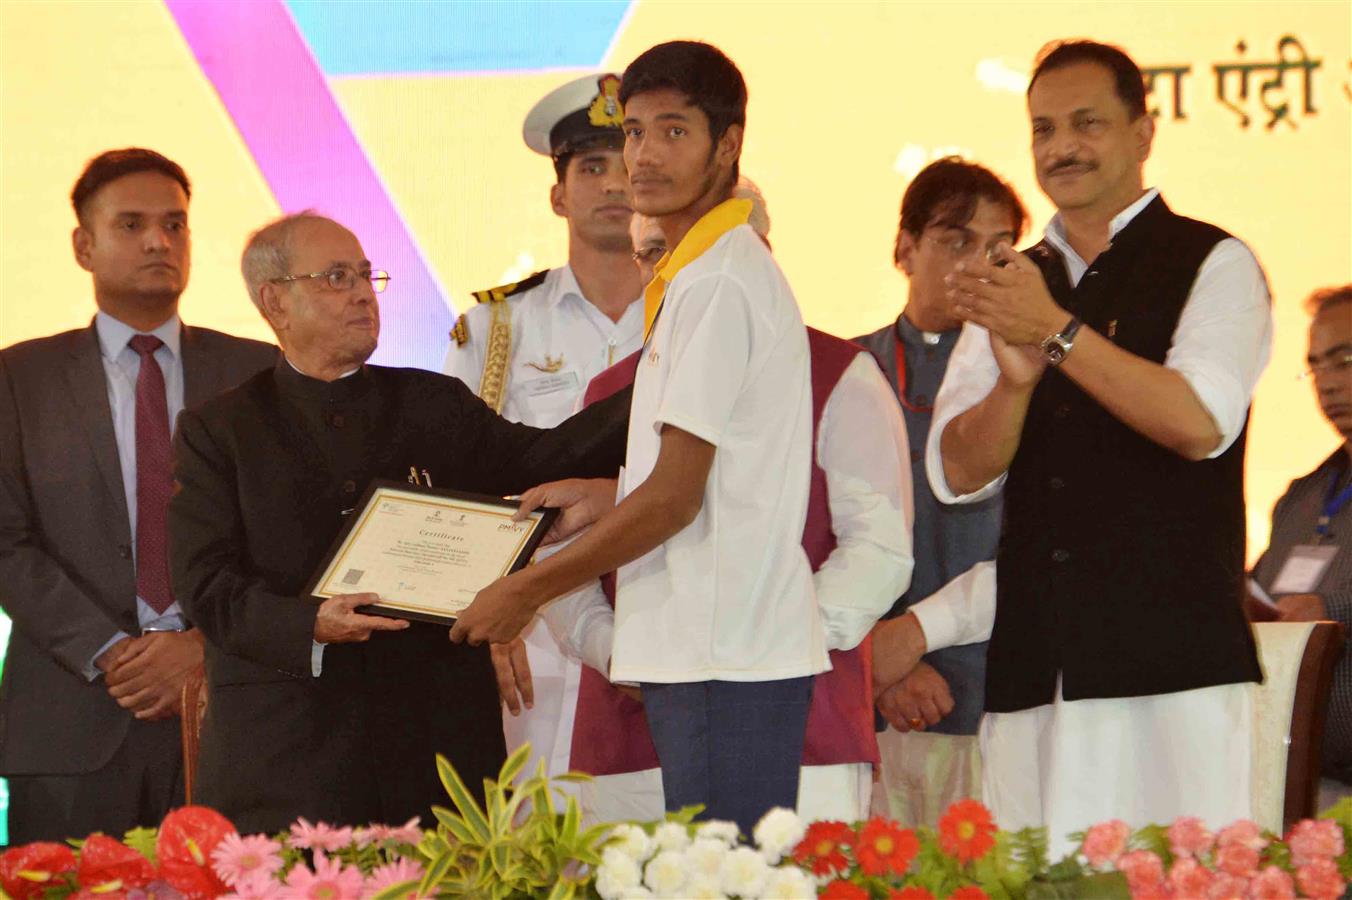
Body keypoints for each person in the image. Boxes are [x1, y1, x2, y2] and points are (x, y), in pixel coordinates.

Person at [889, 39, 1271, 852]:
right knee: (1039, 874)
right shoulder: (1009, 277)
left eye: (1087, 123)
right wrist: (1017, 383)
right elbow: (955, 472)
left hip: (1174, 669)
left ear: (1143, 132)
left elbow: (1200, 422)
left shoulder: (1214, 260)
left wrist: (1057, 332)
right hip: (1036, 670)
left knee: (1178, 873)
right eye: (1043, 129)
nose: (1061, 147)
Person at [451, 41, 827, 835]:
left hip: (724, 653)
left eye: (675, 132)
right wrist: (599, 495)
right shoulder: (695, 275)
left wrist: (525, 588)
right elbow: (701, 482)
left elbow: (676, 499)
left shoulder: (720, 279)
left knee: (725, 884)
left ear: (728, 146)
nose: (641, 159)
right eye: (635, 132)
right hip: (700, 646)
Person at [167, 213, 626, 833]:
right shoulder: (221, 430)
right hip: (288, 759)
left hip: (436, 755)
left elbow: (555, 455)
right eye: (336, 277)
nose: (362, 292)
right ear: (275, 301)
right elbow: (207, 588)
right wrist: (311, 622)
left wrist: (667, 363)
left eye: (365, 274)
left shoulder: (431, 403)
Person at [540, 194, 912, 825]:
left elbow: (879, 553)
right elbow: (565, 551)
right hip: (633, 731)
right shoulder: (611, 391)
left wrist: (751, 653)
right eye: (655, 255)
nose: (676, 273)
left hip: (799, 727)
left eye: (696, 252)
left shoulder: (842, 372)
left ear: (756, 255)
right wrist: (623, 653)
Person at [0, 149, 277, 842]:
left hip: (229, 715)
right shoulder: (17, 377)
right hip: (69, 722)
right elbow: (6, 541)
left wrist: (202, 645)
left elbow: (289, 538)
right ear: (83, 245)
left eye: (176, 225)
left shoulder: (260, 371)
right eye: (131, 225)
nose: (160, 242)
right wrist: (110, 650)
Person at [443, 72, 644, 789]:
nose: (614, 183)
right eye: (592, 167)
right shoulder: (496, 329)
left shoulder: (701, 311)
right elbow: (455, 484)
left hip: (664, 609)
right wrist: (485, 615)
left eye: (627, 163)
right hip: (532, 638)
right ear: (558, 194)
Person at [855, 158, 1025, 827]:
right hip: (867, 708)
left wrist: (916, 639)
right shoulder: (842, 371)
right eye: (956, 240)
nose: (979, 264)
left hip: (1005, 710)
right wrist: (883, 658)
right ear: (904, 247)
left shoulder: (1033, 378)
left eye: (1000, 249)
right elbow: (803, 540)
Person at [1251, 285, 1352, 809]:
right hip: (1298, 784)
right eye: (1317, 368)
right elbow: (1261, 593)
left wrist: (1330, 612)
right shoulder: (1302, 497)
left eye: (1345, 360)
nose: (1329, 384)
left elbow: (1322, 606)